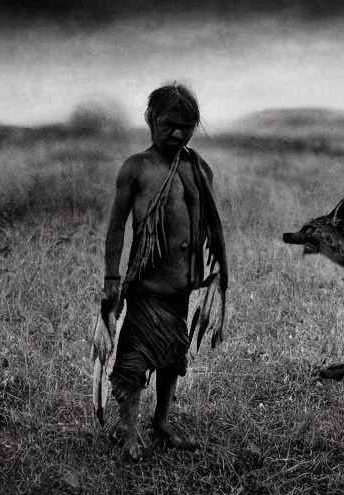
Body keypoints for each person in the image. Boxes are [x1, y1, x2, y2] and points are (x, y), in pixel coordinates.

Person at [102, 82, 228, 460]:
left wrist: (222, 274)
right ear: (150, 119)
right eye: (170, 125)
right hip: (146, 289)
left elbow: (215, 225)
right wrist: (111, 278)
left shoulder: (198, 167)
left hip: (180, 292)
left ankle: (160, 423)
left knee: (172, 359)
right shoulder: (136, 167)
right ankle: (128, 432)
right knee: (134, 364)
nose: (178, 134)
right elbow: (116, 227)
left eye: (187, 126)